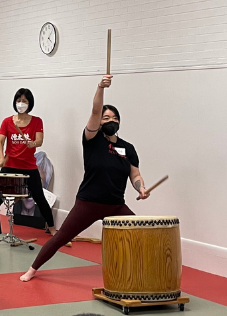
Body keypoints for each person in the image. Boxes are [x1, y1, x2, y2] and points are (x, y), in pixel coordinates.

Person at [20, 75, 151, 282]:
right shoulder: (92, 140)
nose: (110, 121)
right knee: (61, 237)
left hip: (115, 206)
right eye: (106, 118)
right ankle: (32, 269)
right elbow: (95, 110)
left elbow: (135, 174)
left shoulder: (127, 148)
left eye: (114, 118)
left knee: (142, 233)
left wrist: (141, 188)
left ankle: (142, 273)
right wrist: (100, 87)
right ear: (99, 121)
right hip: (88, 203)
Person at [0, 88, 59, 239]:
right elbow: (0, 142)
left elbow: (39, 140)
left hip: (29, 166)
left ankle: (52, 229)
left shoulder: (36, 121)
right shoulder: (7, 122)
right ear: (15, 102)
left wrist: (32, 143)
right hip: (10, 164)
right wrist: (1, 157)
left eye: (25, 101)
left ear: (30, 103)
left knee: (40, 198)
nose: (21, 104)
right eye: (19, 100)